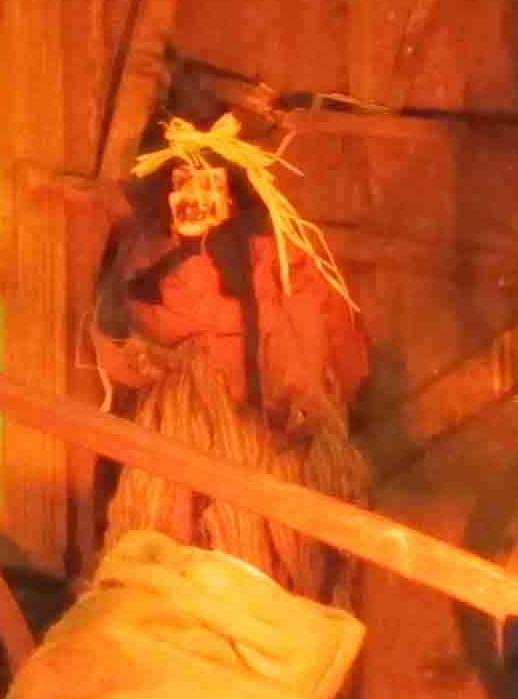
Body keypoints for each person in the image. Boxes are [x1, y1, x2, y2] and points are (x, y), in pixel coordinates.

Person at [89, 105, 373, 596]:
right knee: (170, 535)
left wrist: (301, 401)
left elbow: (299, 329)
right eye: (183, 183)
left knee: (258, 544)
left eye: (210, 185)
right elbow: (124, 331)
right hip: (179, 419)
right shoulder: (145, 253)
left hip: (256, 414)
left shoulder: (270, 254)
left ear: (230, 192)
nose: (196, 198)